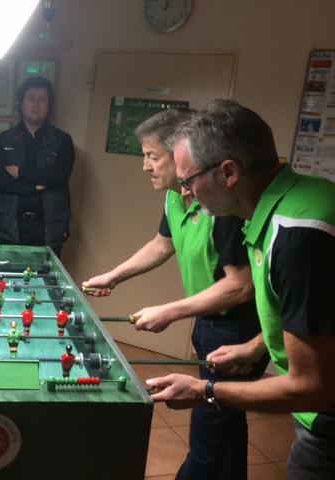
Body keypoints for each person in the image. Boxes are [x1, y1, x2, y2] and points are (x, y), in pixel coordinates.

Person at [146, 99, 335, 480]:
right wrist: (256, 346)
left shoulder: (297, 237)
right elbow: (318, 316)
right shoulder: (296, 201)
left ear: (229, 172)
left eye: (188, 181)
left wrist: (205, 391)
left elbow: (315, 387)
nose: (186, 193)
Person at [82, 108, 269, 480]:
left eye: (152, 156)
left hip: (238, 330)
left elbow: (240, 285)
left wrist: (169, 311)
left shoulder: (218, 203)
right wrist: (114, 276)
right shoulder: (173, 197)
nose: (145, 166)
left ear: (182, 155)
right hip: (208, 323)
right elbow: (162, 244)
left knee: (210, 432)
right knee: (225, 426)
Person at [0, 76, 75, 258]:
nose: (36, 105)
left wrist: (19, 172)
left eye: (42, 100)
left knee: (48, 275)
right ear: (21, 103)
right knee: (8, 275)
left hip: (49, 227)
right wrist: (32, 187)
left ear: (49, 105)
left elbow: (59, 175)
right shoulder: (4, 140)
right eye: (30, 98)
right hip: (11, 225)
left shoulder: (62, 141)